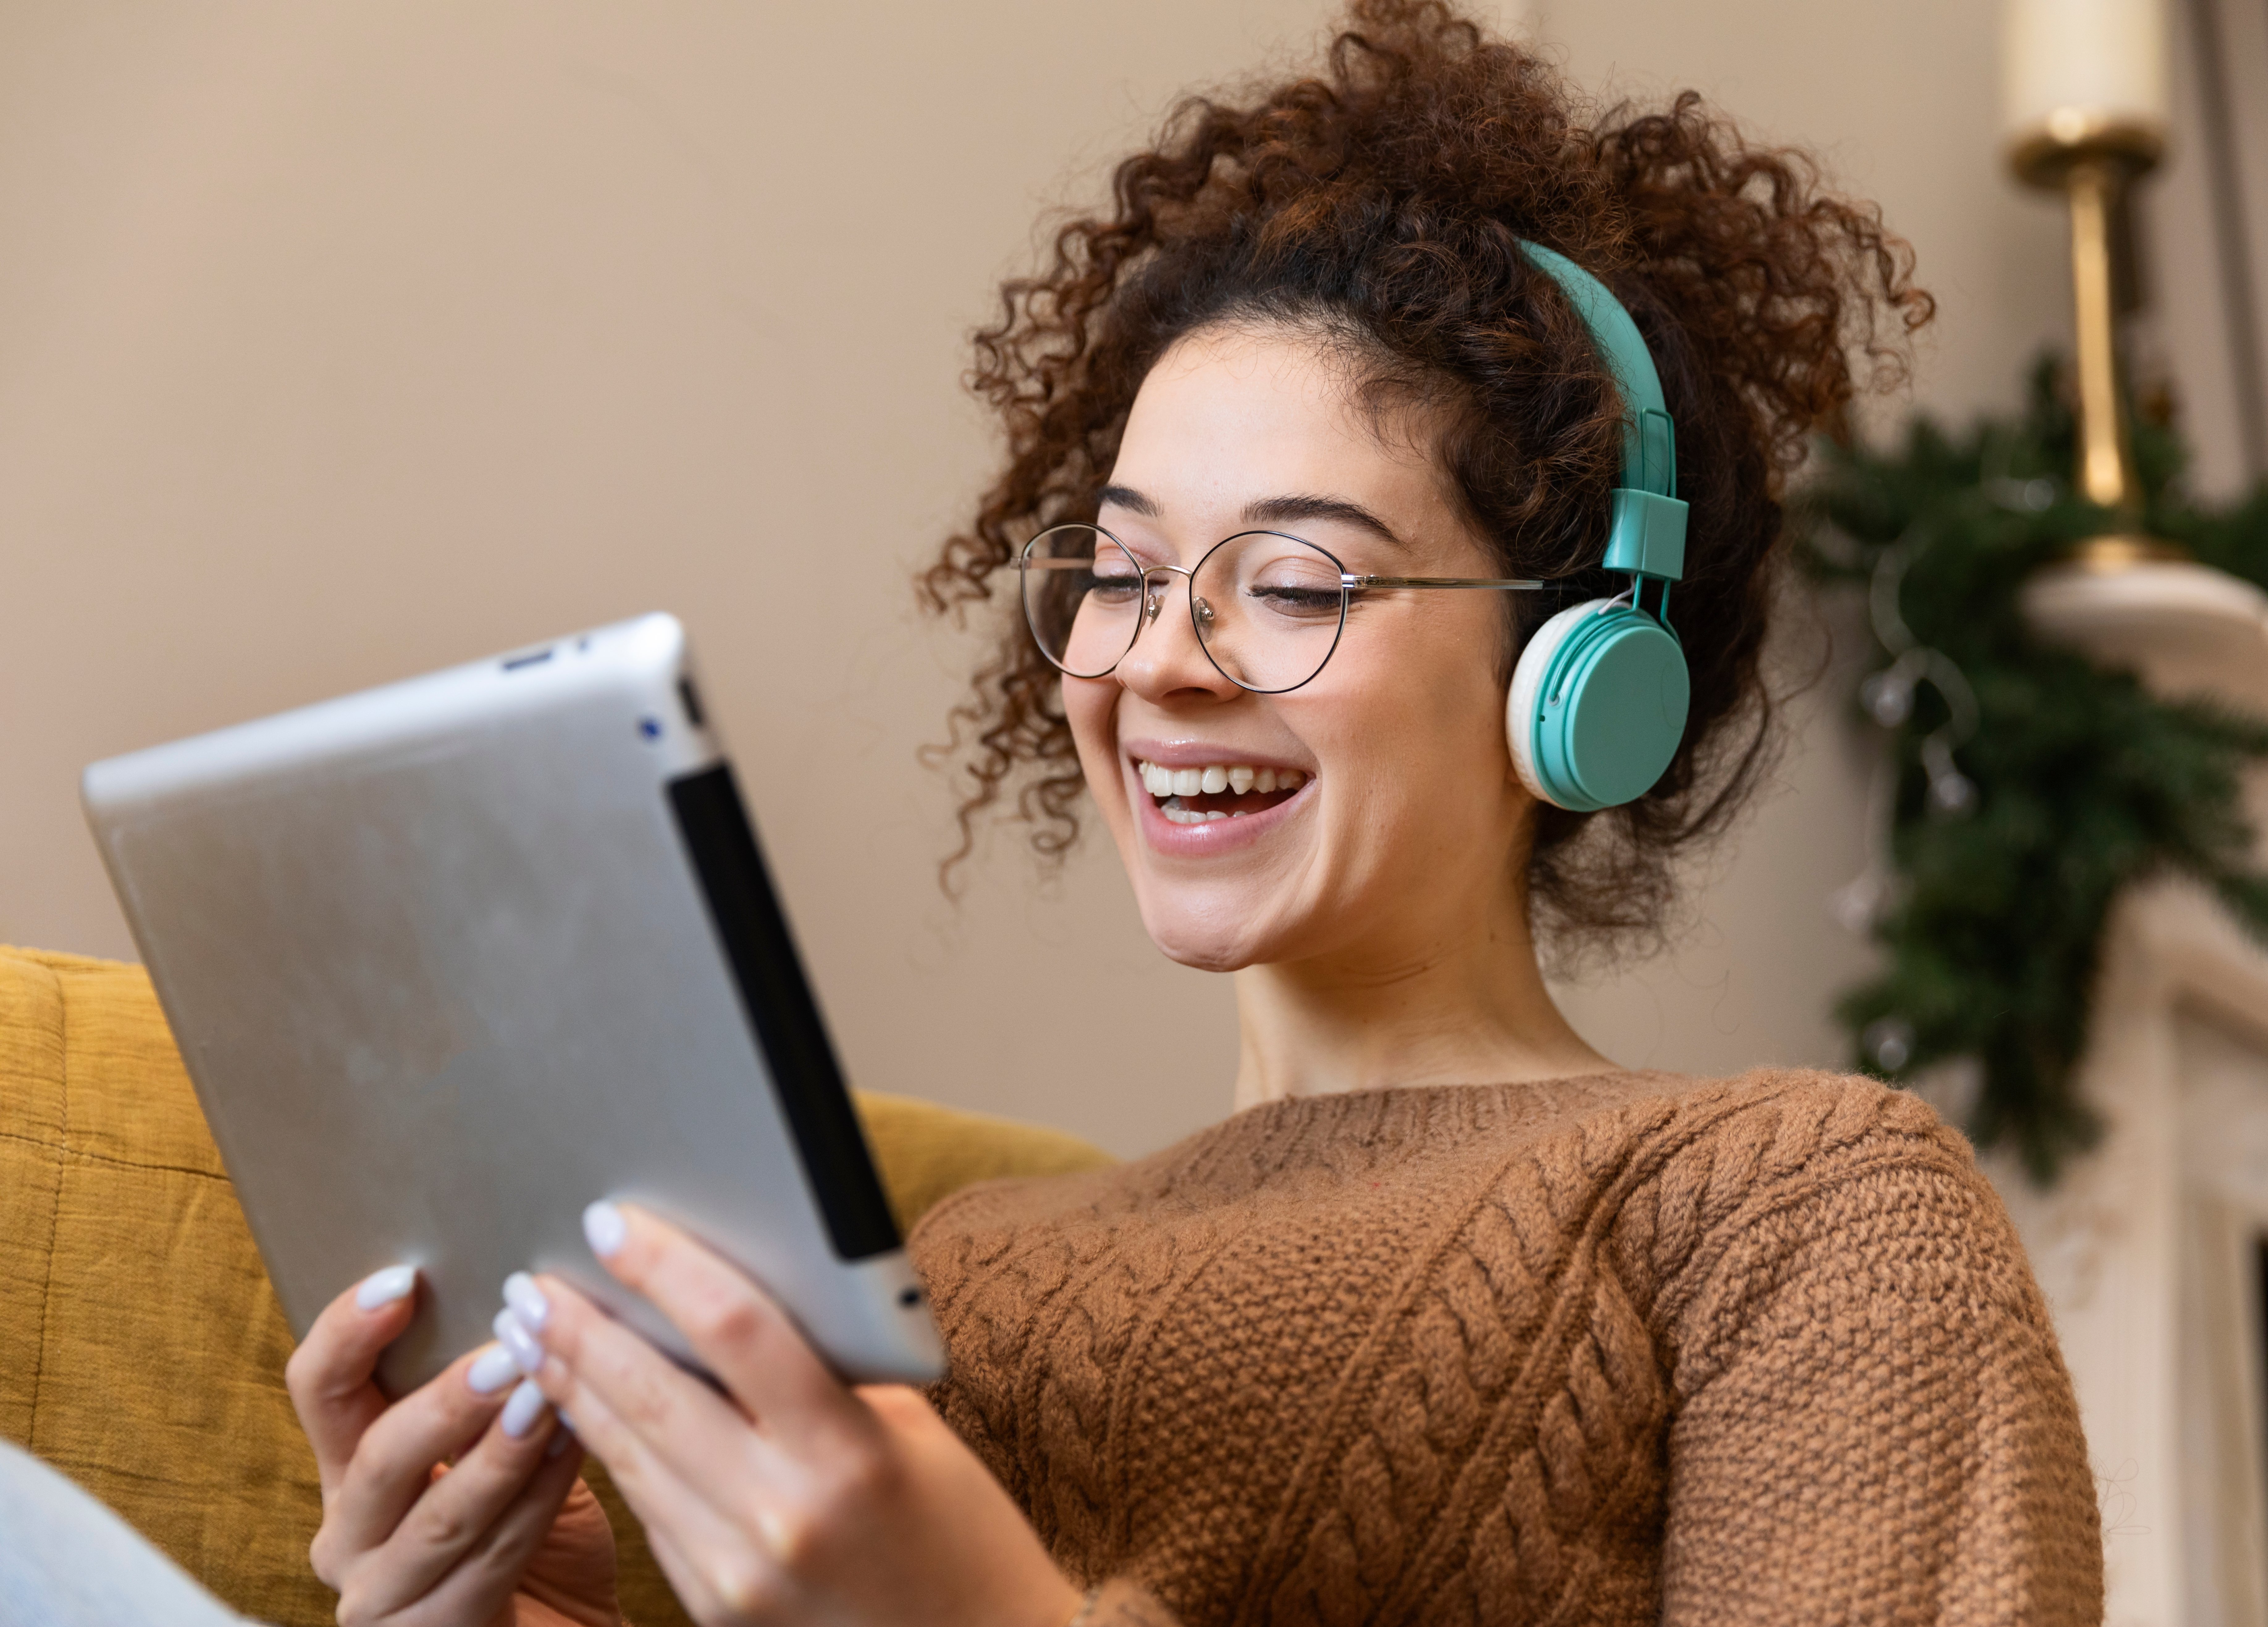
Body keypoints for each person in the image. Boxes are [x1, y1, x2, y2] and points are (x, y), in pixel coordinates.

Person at [276, 4, 2105, 1625]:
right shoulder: (959, 1286)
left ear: (1579, 674)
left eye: (1298, 582)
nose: (1162, 662)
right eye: (1125, 573)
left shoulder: (1794, 1212)